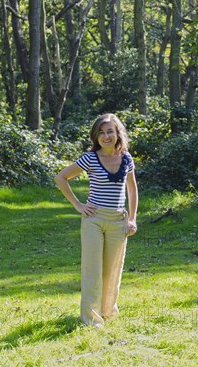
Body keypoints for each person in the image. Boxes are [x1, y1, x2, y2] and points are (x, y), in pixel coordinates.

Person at [54, 113, 138, 327]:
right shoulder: (91, 158)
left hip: (118, 221)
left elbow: (132, 189)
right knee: (93, 270)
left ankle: (107, 312)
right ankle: (91, 320)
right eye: (101, 132)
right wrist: (78, 205)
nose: (105, 136)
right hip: (94, 220)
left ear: (118, 133)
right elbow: (60, 177)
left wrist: (133, 219)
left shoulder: (126, 158)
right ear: (96, 137)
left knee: (112, 271)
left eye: (110, 131)